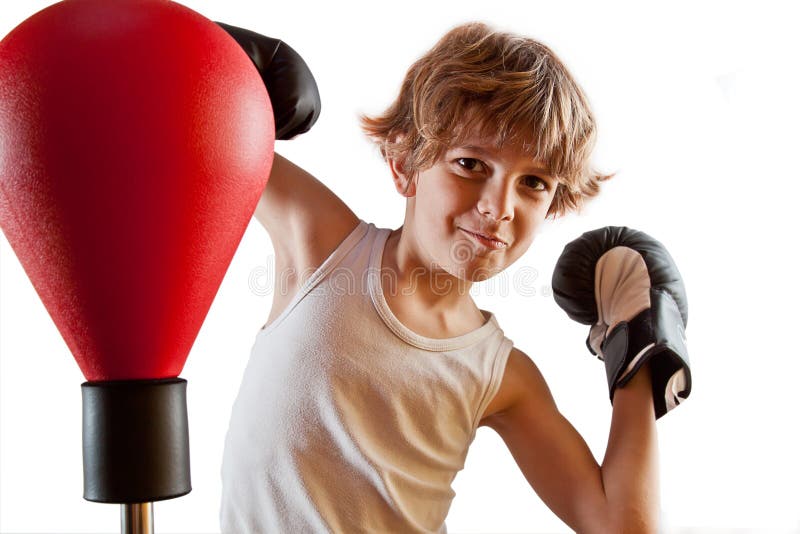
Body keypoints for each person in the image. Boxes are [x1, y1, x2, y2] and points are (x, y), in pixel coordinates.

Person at [217, 20, 691, 533]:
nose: (499, 207)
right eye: (470, 163)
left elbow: (622, 527)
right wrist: (224, 62)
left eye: (533, 182)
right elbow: (188, 116)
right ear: (403, 163)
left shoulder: (499, 374)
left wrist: (639, 349)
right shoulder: (323, 245)